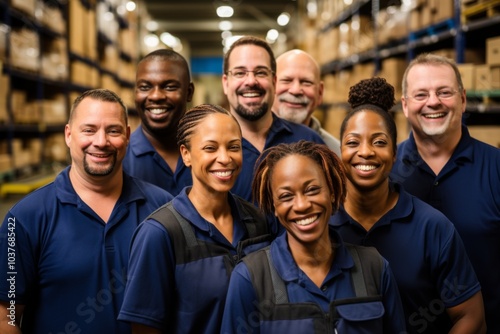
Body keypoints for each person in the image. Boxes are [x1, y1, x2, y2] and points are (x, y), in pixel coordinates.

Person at [0, 89, 173, 333]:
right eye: (89, 130)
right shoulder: (24, 219)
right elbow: (5, 317)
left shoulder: (164, 208)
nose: (101, 142)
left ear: (127, 136)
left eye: (112, 130)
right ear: (69, 135)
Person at [330, 77, 486, 333]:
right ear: (341, 153)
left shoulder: (432, 227)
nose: (366, 151)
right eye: (353, 142)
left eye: (379, 142)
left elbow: (471, 316)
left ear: (395, 154)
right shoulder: (321, 222)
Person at [221, 140, 406, 333]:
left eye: (312, 190)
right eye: (286, 196)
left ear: (332, 193)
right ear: (274, 206)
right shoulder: (249, 277)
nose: (301, 205)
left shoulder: (375, 267)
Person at [118, 104, 273, 333]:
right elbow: (145, 327)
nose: (224, 158)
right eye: (210, 148)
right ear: (186, 154)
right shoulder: (160, 233)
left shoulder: (256, 222)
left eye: (234, 147)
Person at [390, 53, 500, 333]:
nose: (433, 102)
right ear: (405, 105)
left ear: (463, 99)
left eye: (444, 92)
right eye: (421, 94)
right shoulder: (385, 172)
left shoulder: (495, 168)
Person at [222, 36, 326, 202]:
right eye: (240, 73)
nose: (250, 81)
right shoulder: (207, 150)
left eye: (261, 72)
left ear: (274, 81)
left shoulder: (310, 141)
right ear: (226, 83)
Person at [123, 49, 195, 196]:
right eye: (145, 87)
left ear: (189, 93)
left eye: (169, 87)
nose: (156, 96)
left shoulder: (209, 154)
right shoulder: (119, 159)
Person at [273, 49, 341, 156]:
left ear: (320, 92)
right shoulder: (244, 147)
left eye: (306, 82)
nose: (295, 90)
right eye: (286, 80)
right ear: (271, 85)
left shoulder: (336, 153)